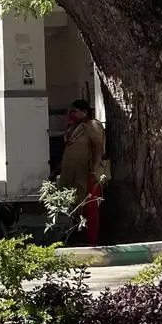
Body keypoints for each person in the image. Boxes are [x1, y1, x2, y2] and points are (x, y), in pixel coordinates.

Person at [59, 99, 106, 245]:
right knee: (76, 208)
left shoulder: (93, 125)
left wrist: (94, 170)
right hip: (74, 176)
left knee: (90, 209)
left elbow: (99, 148)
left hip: (89, 176)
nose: (71, 114)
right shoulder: (75, 128)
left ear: (84, 112)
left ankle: (92, 242)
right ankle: (78, 238)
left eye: (74, 111)